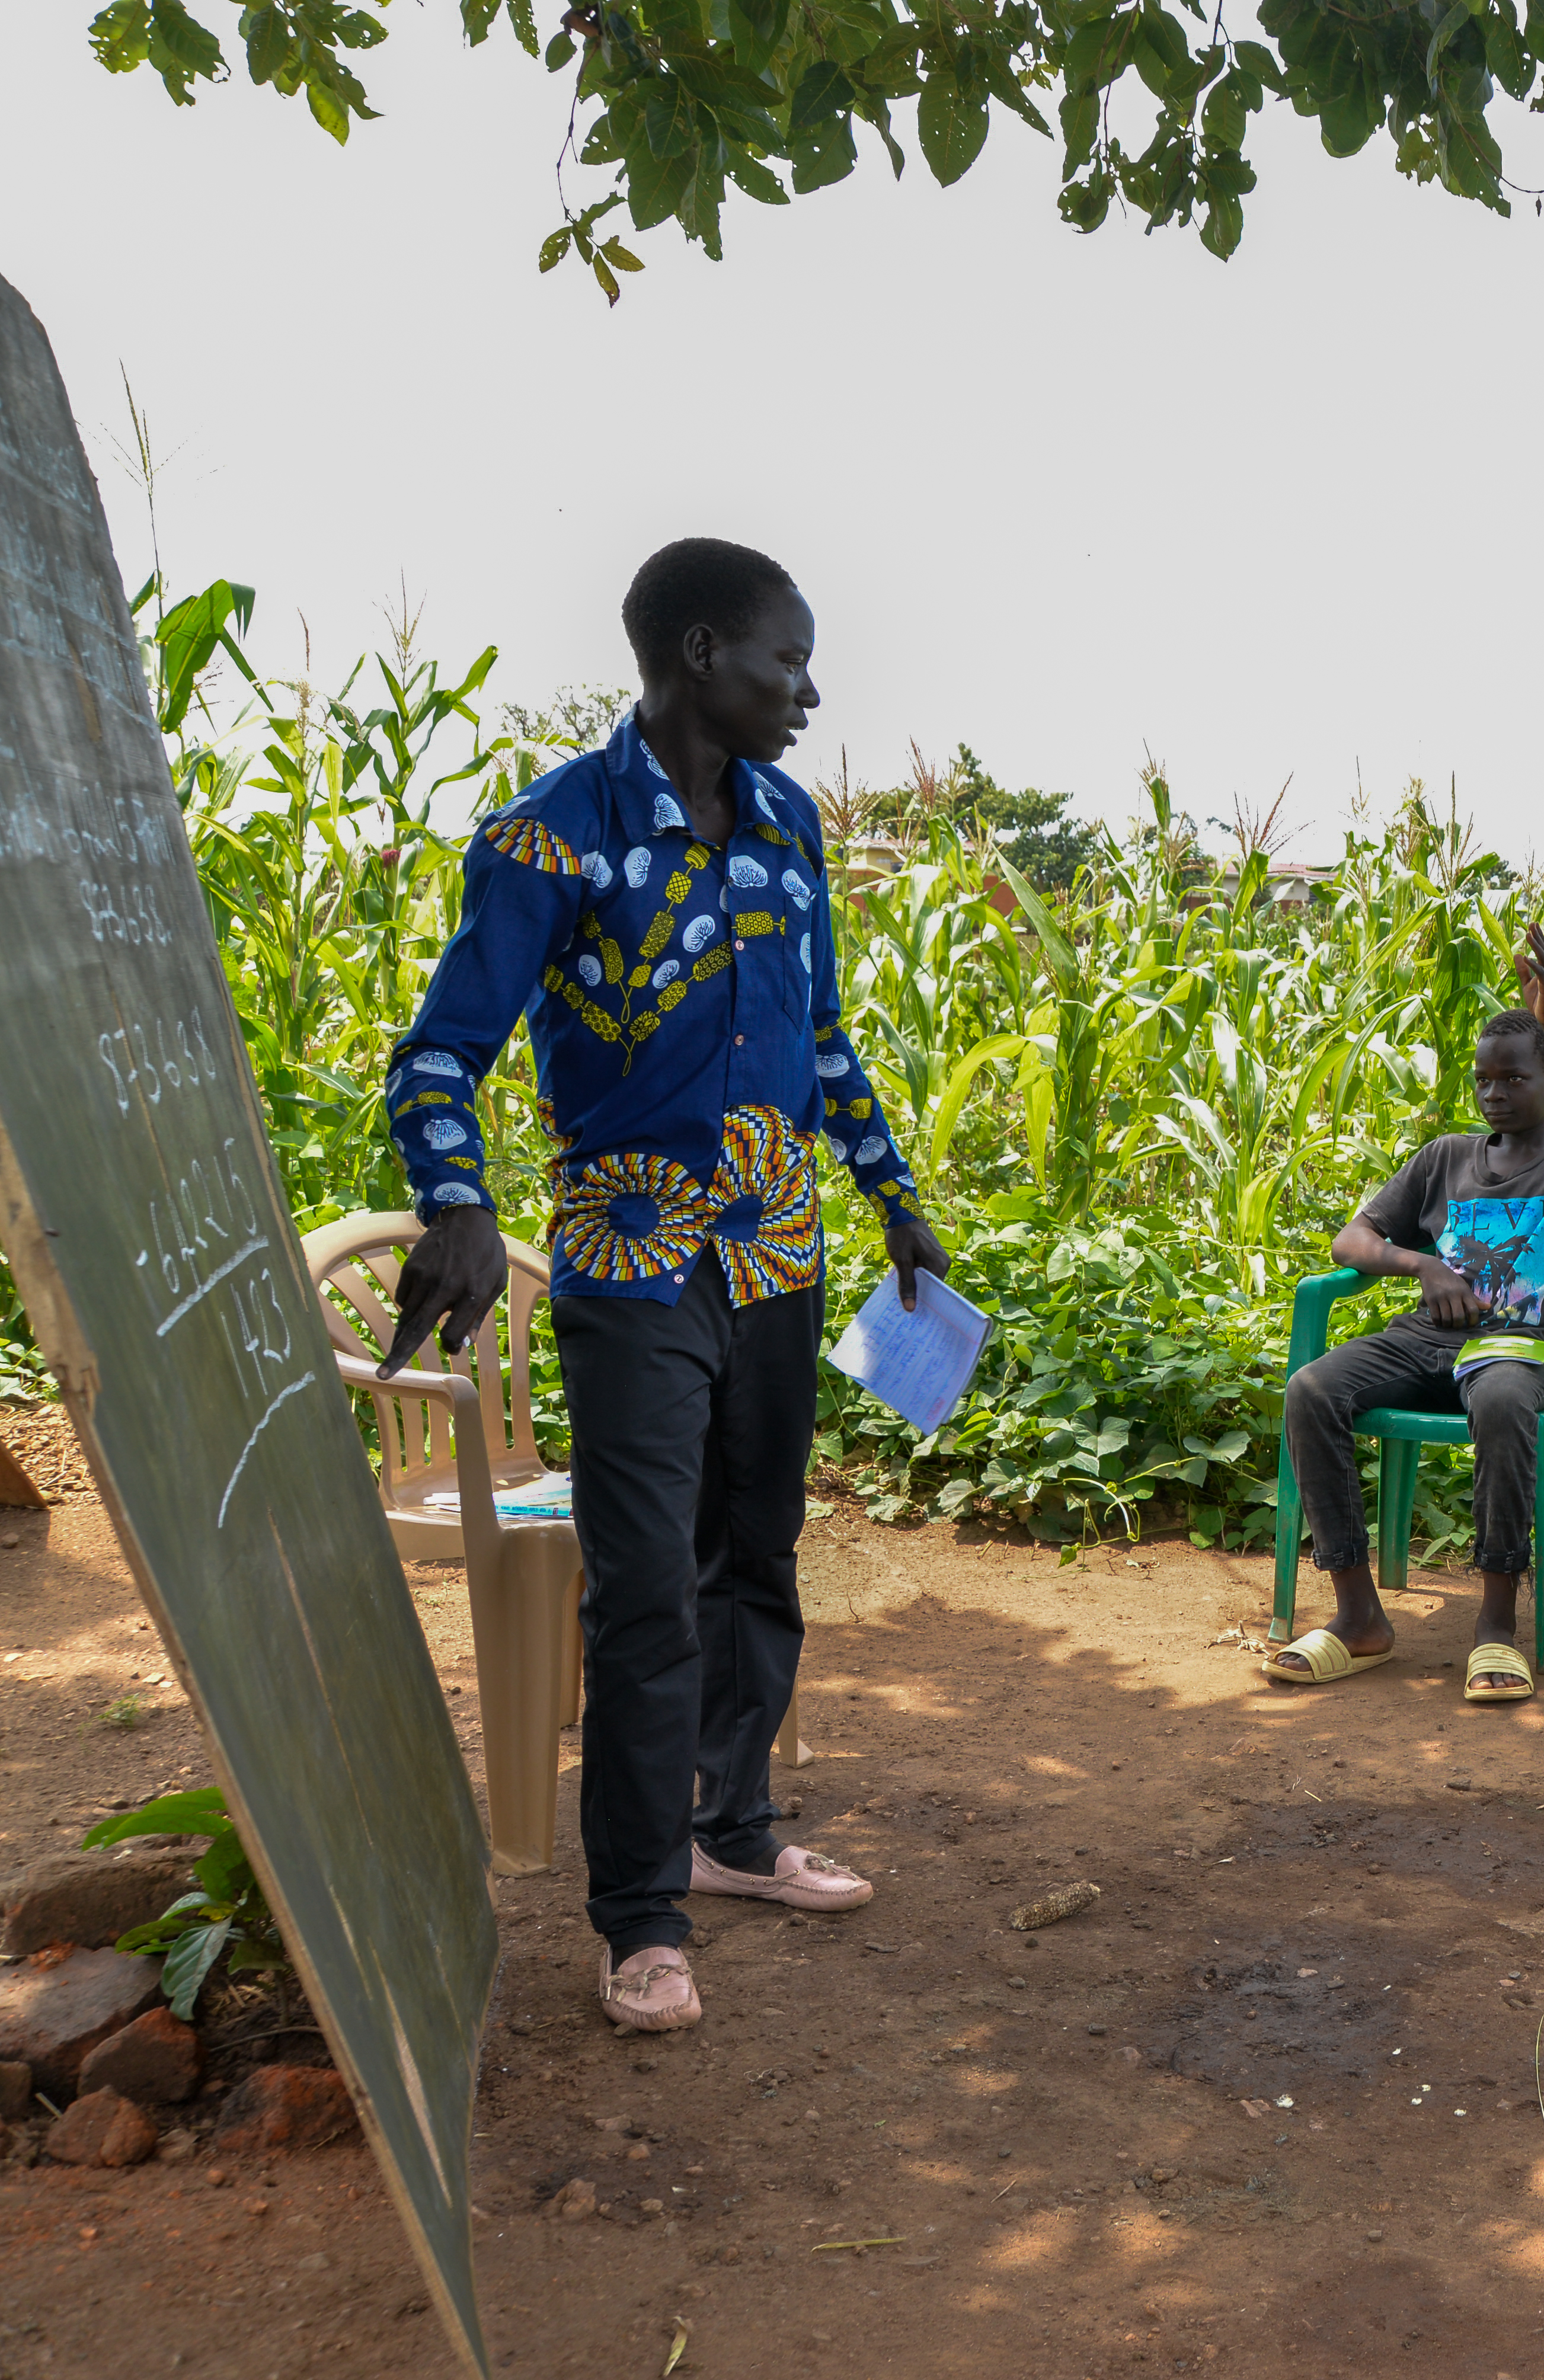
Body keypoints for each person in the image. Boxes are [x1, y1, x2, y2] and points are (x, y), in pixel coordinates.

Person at [378, 538, 948, 2034]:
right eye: (785, 660)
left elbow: (823, 1036)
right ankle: (640, 1912)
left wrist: (891, 1195)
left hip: (774, 1240)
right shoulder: (553, 837)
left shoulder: (785, 825)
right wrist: (452, 1196)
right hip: (630, 1256)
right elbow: (442, 1052)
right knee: (644, 1591)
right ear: (700, 654)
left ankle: (733, 1828)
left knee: (754, 1552)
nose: (808, 691)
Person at [1270, 926, 1544, 1704]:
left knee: (1499, 1400)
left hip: (1521, 1351)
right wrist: (1421, 1263)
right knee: (1312, 1390)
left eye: (1516, 1078)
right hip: (1425, 1344)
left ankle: (1497, 1625)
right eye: (1483, 1080)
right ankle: (1359, 1616)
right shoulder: (1444, 1159)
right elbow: (1350, 1239)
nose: (1496, 1092)